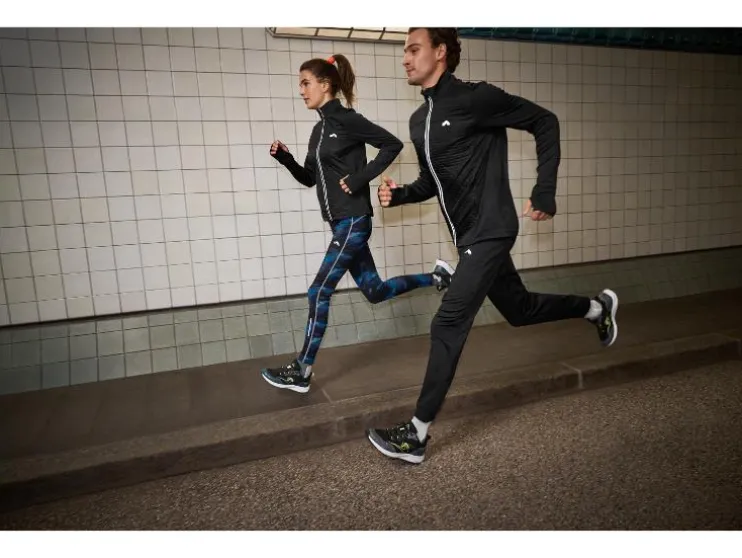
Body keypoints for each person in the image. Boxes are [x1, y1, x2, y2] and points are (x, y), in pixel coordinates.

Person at [366, 28, 619, 464]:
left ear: (440, 52)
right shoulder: (419, 120)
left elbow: (545, 121)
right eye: (404, 51)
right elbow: (432, 181)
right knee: (520, 310)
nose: (405, 58)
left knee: (447, 323)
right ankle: (597, 309)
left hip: (491, 229)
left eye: (413, 49)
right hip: (470, 238)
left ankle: (417, 434)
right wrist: (402, 194)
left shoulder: (475, 98)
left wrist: (544, 190)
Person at [262, 53, 454, 394]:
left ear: (325, 85)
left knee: (318, 291)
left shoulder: (347, 120)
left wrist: (359, 177)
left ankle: (302, 370)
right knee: (375, 291)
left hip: (353, 221)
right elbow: (309, 178)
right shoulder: (319, 130)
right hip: (341, 224)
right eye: (300, 85)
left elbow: (391, 145)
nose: (301, 91)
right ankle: (439, 277)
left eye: (305, 83)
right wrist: (286, 159)